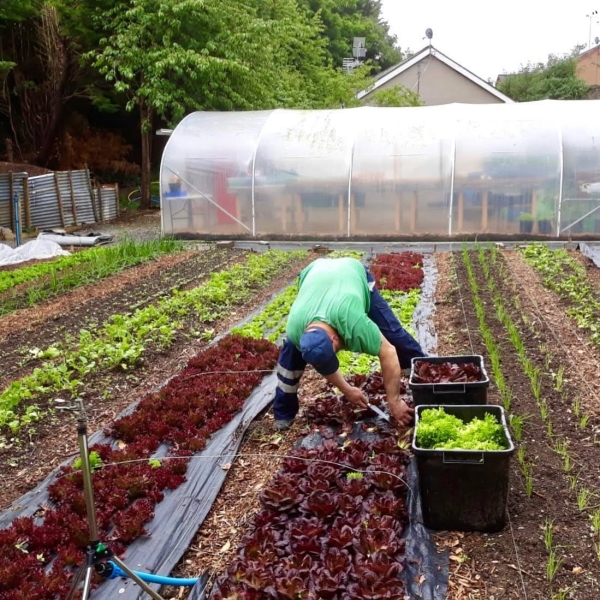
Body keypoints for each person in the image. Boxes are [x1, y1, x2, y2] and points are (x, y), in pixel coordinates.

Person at [273, 256, 426, 430]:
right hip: (314, 274)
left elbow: (388, 352)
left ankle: (427, 382)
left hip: (352, 273)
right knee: (289, 359)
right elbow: (321, 361)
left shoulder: (353, 321)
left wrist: (395, 401)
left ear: (333, 338)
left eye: (334, 352)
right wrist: (347, 389)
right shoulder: (295, 329)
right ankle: (283, 412)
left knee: (394, 336)